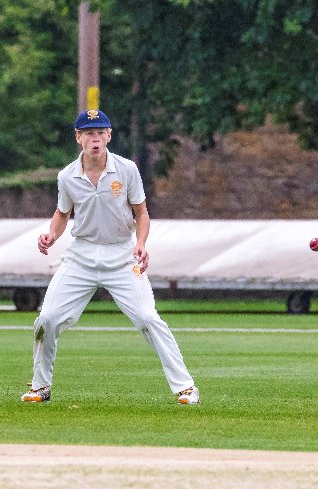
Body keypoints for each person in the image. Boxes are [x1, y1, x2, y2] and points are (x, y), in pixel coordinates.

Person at [22, 109, 200, 405]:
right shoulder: (67, 175)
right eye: (89, 133)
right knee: (47, 320)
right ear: (78, 137)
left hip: (121, 255)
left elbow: (141, 212)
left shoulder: (127, 169)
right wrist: (52, 235)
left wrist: (141, 243)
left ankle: (186, 388)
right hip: (80, 257)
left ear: (109, 135)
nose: (95, 138)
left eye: (100, 132)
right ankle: (41, 386)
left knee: (147, 318)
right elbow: (62, 213)